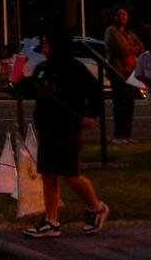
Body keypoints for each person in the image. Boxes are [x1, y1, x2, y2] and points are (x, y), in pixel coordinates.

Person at [17, 27, 108, 238]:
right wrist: (17, 78)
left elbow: (95, 92)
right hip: (47, 127)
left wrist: (91, 115)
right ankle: (51, 220)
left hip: (67, 127)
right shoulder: (43, 67)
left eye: (47, 43)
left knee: (70, 173)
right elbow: (33, 89)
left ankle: (96, 207)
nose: (44, 47)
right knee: (48, 173)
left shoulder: (74, 68)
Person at [102, 8, 142, 143]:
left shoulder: (129, 33)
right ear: (114, 17)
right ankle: (119, 135)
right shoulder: (111, 31)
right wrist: (130, 48)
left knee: (129, 104)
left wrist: (129, 48)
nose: (123, 17)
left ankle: (127, 135)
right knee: (120, 103)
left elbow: (140, 47)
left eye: (125, 14)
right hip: (118, 72)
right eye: (120, 14)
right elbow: (120, 49)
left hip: (131, 72)